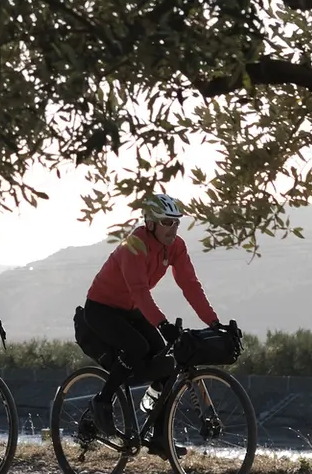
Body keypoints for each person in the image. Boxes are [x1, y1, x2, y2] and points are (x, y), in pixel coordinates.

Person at [80, 192, 222, 449]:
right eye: (167, 222)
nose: (174, 228)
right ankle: (102, 400)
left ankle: (159, 438)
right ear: (151, 223)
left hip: (131, 310)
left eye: (177, 222)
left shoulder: (176, 247)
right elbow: (139, 291)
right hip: (101, 308)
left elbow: (190, 285)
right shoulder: (134, 245)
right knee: (137, 348)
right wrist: (162, 323)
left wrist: (213, 322)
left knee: (169, 360)